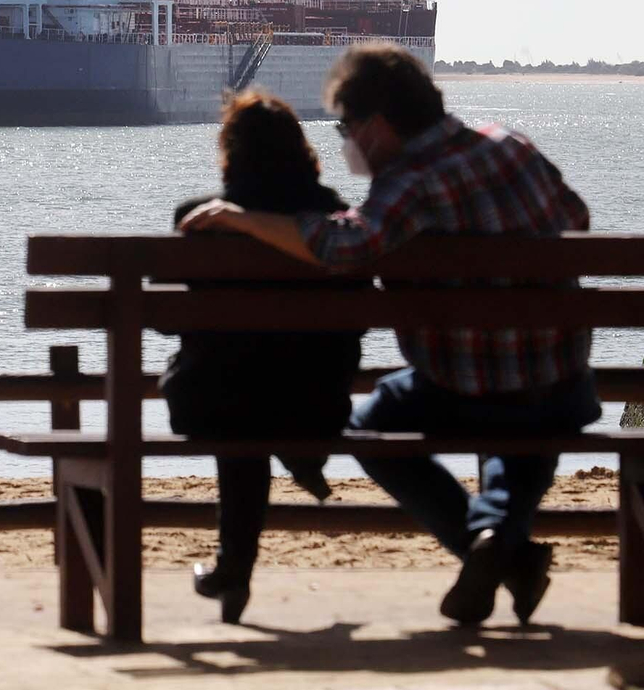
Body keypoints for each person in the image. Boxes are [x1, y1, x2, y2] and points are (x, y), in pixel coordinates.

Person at [180, 43, 599, 627]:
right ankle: (501, 540)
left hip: (460, 389)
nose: (346, 140)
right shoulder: (513, 146)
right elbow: (576, 218)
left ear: (376, 127)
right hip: (561, 382)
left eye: (346, 127)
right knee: (523, 417)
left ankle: (497, 551)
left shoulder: (408, 184)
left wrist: (241, 219)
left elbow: (342, 246)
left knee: (371, 425)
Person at [163, 90, 363, 625]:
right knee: (261, 394)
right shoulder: (334, 221)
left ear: (231, 151)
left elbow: (164, 319)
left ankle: (234, 569)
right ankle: (301, 457)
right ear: (301, 149)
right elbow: (358, 318)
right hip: (316, 407)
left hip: (211, 406)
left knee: (237, 399)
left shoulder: (198, 219)